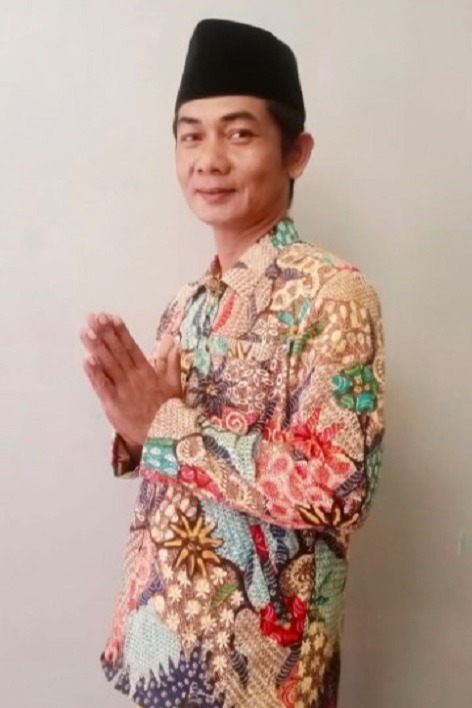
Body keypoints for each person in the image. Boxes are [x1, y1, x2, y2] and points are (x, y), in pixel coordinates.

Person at [80, 18, 385, 708]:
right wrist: (136, 427)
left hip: (261, 676)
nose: (208, 159)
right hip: (165, 653)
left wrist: (165, 426)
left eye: (239, 133)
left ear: (296, 152)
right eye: (190, 136)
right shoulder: (186, 302)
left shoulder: (333, 294)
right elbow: (166, 454)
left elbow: (343, 487)